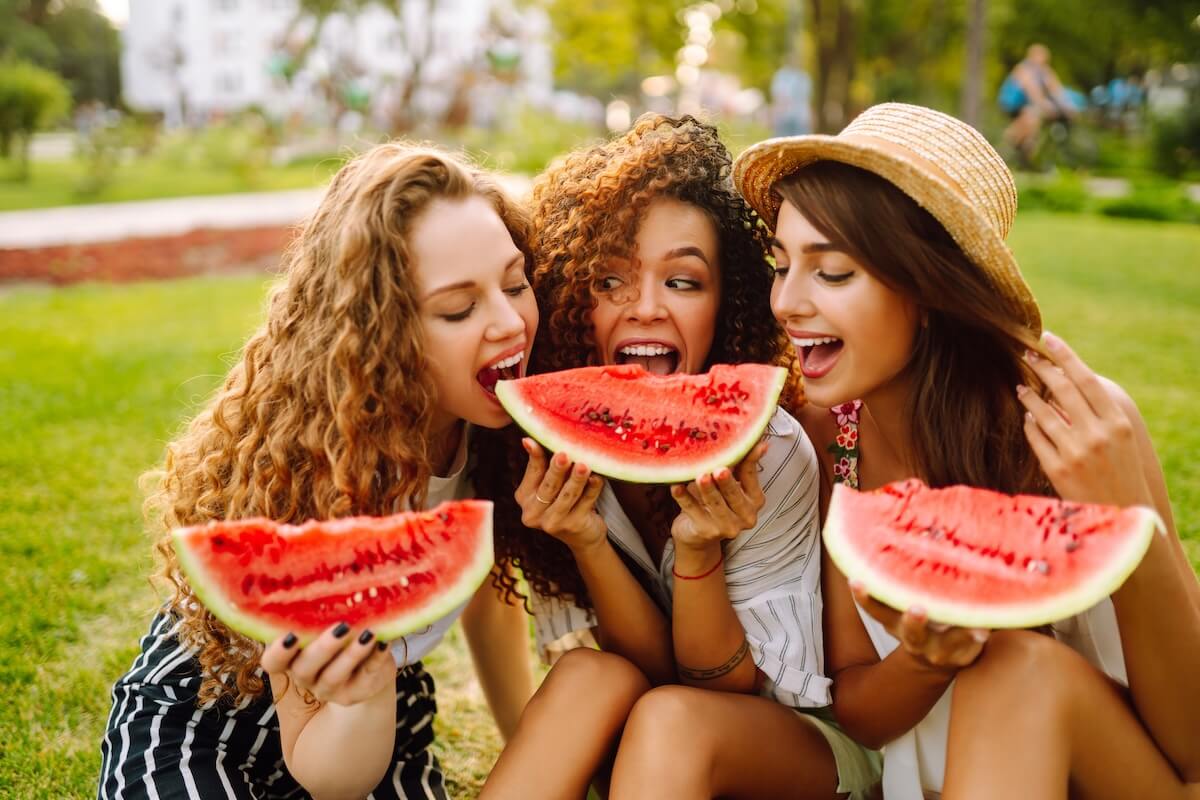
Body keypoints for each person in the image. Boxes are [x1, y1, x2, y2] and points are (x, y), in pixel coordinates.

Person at [733, 101, 1200, 799]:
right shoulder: (838, 443)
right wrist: (925, 662)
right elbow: (859, 705)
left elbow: (1192, 745)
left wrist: (1132, 520)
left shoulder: (1076, 428)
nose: (787, 302)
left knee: (1016, 662)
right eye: (782, 265)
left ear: (926, 290)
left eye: (831, 273)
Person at [98, 143, 537, 799]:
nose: (510, 324)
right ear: (383, 332)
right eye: (458, 309)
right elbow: (314, 752)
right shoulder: (318, 466)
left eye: (515, 284)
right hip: (210, 709)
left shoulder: (496, 432)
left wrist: (527, 746)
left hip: (379, 707)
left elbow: (485, 587)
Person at [476, 114, 881, 800]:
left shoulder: (770, 452)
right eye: (610, 281)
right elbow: (631, 668)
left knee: (670, 718)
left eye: (684, 282)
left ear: (727, 304)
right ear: (572, 296)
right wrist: (587, 541)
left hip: (795, 749)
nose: (645, 309)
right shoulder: (548, 445)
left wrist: (699, 552)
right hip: (650, 742)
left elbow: (720, 688)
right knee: (586, 675)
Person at [999, 44, 1079, 165]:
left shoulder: (1044, 71)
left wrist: (1068, 106)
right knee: (1030, 120)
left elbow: (1056, 89)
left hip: (1027, 106)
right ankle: (1008, 148)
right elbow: (1032, 90)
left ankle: (1025, 152)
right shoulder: (1023, 69)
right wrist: (1044, 105)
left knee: (1034, 123)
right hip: (1012, 104)